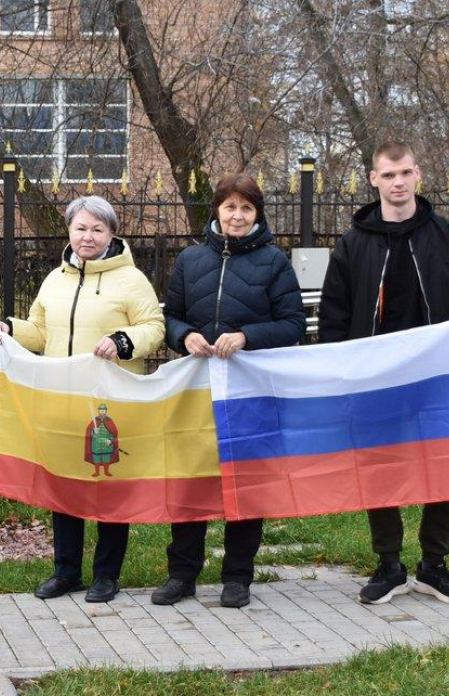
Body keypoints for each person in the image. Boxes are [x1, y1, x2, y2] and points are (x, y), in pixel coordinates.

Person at [318, 141, 449, 606]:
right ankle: (389, 565)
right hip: (375, 380)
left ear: (418, 175)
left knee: (444, 468)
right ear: (373, 179)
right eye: (388, 175)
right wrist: (339, 369)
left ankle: (434, 566)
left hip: (439, 377)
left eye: (405, 173)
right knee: (380, 468)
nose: (398, 182)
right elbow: (333, 313)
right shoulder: (352, 244)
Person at [0, 195, 165, 603]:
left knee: (108, 485)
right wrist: (8, 328)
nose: (88, 236)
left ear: (111, 234)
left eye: (97, 229)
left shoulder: (130, 280)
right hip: (61, 400)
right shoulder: (56, 279)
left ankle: (106, 574)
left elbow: (154, 327)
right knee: (63, 484)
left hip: (108, 401)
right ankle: (66, 571)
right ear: (69, 231)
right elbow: (40, 330)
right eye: (81, 228)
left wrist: (122, 341)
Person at [151, 173, 306, 609]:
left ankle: (237, 577)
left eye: (247, 208)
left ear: (257, 214)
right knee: (191, 481)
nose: (237, 216)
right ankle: (182, 575)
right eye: (230, 207)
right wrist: (184, 337)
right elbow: (171, 318)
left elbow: (294, 324)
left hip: (249, 390)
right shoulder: (190, 260)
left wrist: (246, 337)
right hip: (196, 388)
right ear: (216, 210)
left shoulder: (274, 262)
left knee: (246, 482)